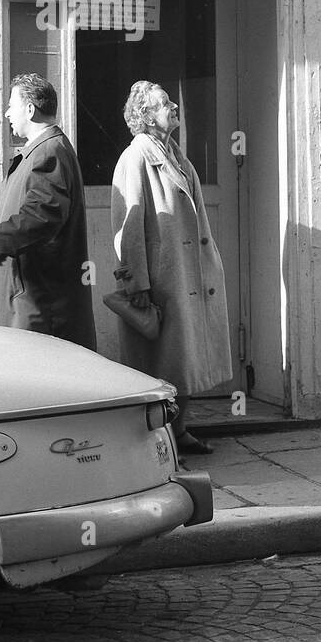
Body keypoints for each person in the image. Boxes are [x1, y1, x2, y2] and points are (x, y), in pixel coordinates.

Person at [110, 82, 232, 459]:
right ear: (146, 116)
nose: (174, 105)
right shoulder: (135, 158)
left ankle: (179, 430)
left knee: (185, 358)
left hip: (187, 276)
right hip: (164, 279)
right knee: (163, 361)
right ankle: (160, 440)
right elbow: (127, 228)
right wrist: (136, 282)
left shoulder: (175, 154)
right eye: (165, 103)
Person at [0, 74, 96, 349]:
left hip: (37, 304)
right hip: (30, 299)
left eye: (12, 106)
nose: (7, 113)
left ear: (30, 109)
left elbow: (43, 215)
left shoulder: (48, 152)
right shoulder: (43, 150)